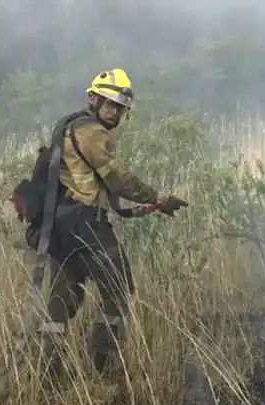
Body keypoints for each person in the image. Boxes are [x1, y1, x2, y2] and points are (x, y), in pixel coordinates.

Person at [31, 68, 189, 376]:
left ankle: (47, 372)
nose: (115, 112)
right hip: (86, 225)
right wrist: (159, 196)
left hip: (60, 227)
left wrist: (142, 208)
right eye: (110, 104)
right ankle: (103, 368)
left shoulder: (68, 126)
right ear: (93, 98)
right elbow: (119, 180)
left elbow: (100, 188)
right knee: (118, 290)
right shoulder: (92, 132)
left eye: (120, 107)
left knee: (63, 298)